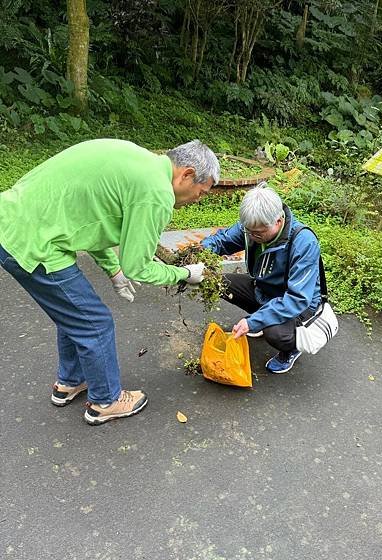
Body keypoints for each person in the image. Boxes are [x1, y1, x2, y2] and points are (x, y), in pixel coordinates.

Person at [0, 138, 218, 424]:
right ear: (186, 174)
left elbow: (92, 219)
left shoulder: (139, 162)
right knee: (95, 322)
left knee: (74, 313)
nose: (196, 200)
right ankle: (105, 401)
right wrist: (185, 274)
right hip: (34, 243)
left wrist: (112, 270)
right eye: (200, 193)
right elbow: (139, 268)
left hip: (16, 221)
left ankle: (70, 382)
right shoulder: (155, 192)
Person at [201, 183, 321, 374]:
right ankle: (263, 317)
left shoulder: (303, 242)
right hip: (266, 290)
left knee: (274, 333)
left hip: (299, 305)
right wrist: (199, 254)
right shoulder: (251, 228)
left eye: (259, 233)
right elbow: (222, 241)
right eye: (248, 231)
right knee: (220, 282)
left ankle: (290, 349)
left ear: (278, 221)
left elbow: (298, 299)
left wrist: (253, 322)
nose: (252, 236)